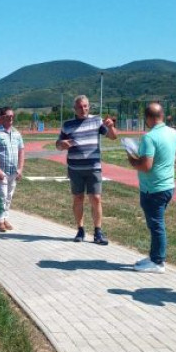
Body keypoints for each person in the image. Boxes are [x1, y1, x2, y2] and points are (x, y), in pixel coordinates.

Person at [127, 102, 176, 273]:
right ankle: (154, 256)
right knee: (156, 224)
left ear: (148, 118)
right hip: (168, 185)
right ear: (162, 116)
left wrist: (131, 158)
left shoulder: (149, 137)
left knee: (156, 225)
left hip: (153, 188)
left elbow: (146, 166)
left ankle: (157, 261)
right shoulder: (172, 133)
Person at [56, 95, 117, 244]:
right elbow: (57, 145)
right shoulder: (67, 125)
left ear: (89, 107)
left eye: (85, 106)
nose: (82, 109)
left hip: (93, 167)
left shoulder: (96, 120)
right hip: (75, 168)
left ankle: (98, 232)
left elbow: (113, 137)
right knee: (78, 198)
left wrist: (110, 127)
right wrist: (62, 144)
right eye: (79, 107)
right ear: (74, 109)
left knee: (96, 198)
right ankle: (80, 230)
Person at [0, 106, 25, 232]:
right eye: (8, 116)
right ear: (2, 118)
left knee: (9, 196)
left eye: (12, 116)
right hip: (1, 171)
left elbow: (21, 151)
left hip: (13, 171)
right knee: (1, 196)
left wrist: (20, 168)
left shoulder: (17, 134)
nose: (11, 118)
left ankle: (5, 218)